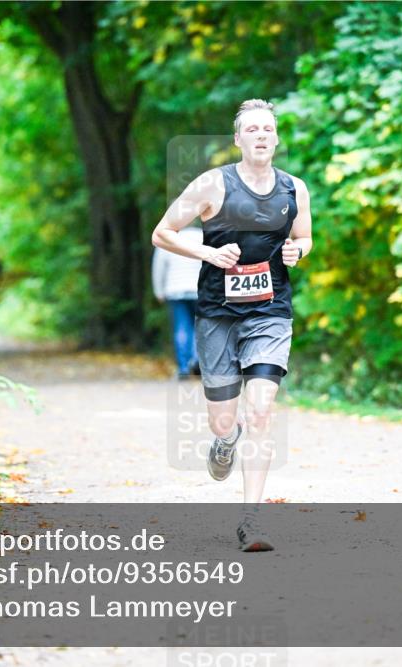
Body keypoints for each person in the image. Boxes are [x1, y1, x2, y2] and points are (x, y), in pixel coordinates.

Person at [151, 99, 313, 552]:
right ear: (238, 139)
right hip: (217, 314)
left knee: (261, 412)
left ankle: (251, 521)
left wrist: (297, 252)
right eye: (252, 129)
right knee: (225, 421)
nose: (261, 135)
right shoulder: (211, 184)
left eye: (268, 129)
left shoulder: (294, 189)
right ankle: (225, 441)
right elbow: (161, 232)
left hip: (270, 311)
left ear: (276, 139)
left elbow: (305, 237)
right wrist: (207, 254)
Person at [152, 226, 204, 378]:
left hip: (175, 290)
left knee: (181, 328)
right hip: (199, 290)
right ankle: (196, 361)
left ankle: (183, 367)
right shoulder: (202, 236)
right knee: (199, 327)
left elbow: (159, 267)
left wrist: (159, 291)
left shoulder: (167, 237)